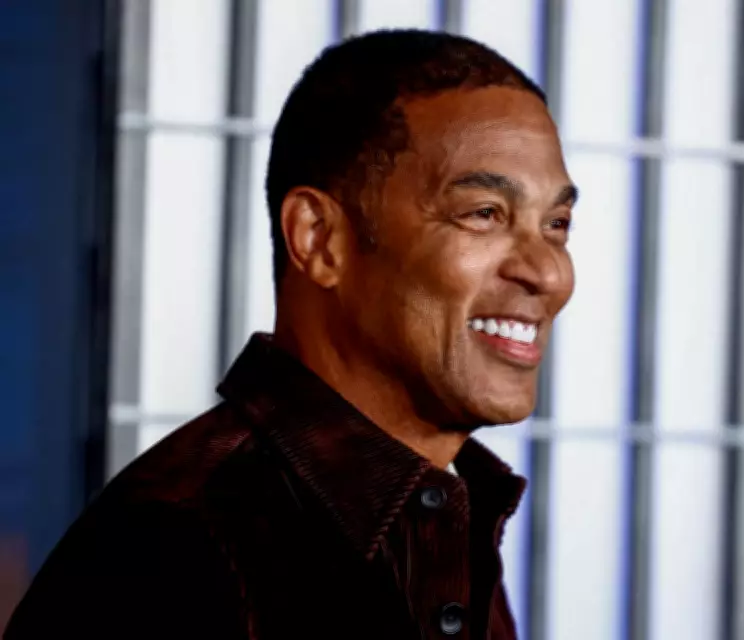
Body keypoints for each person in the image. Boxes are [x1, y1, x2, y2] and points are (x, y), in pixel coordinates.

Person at [4, 29, 575, 639]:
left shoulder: (446, 514)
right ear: (319, 239)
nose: (549, 274)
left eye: (558, 224)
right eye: (484, 214)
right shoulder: (169, 554)